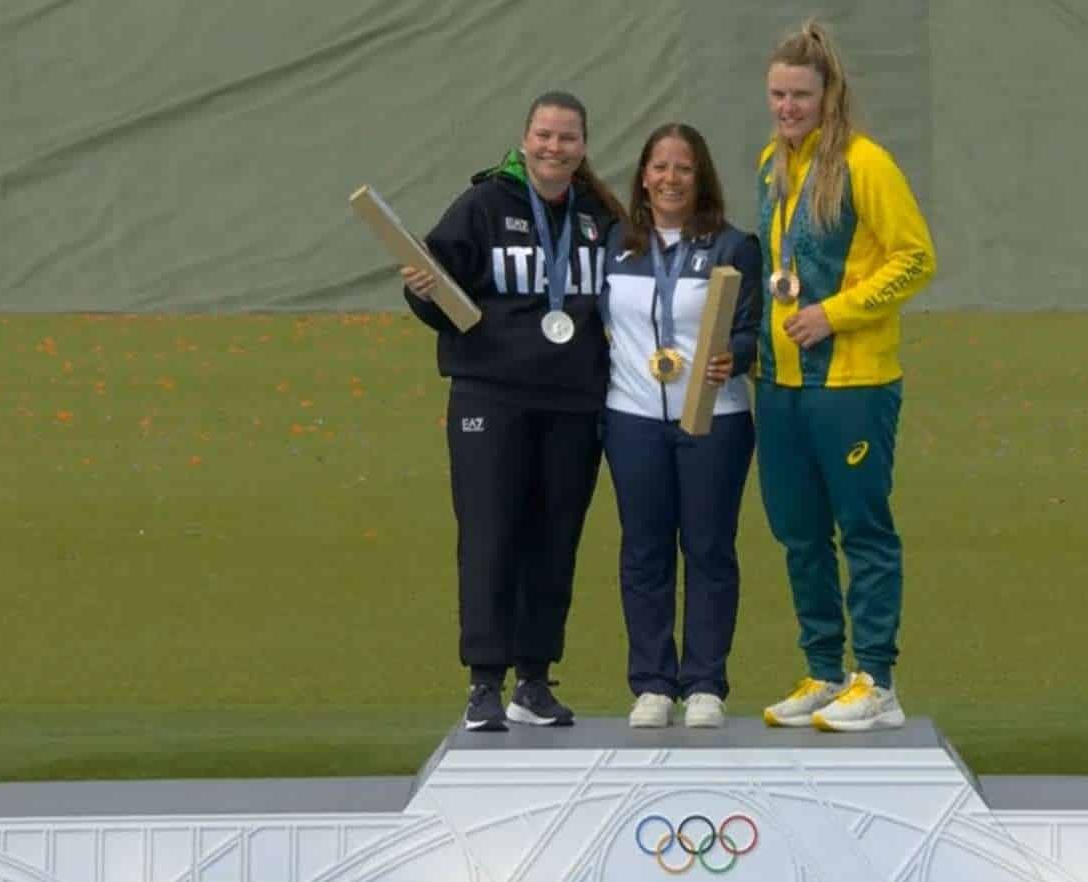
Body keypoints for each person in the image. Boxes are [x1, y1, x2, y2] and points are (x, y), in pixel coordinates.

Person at [400, 92, 623, 732]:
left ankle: (534, 680)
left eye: (568, 138)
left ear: (584, 147)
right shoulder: (483, 205)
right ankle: (483, 683)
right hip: (489, 397)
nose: (555, 148)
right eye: (545, 136)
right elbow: (437, 285)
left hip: (575, 403)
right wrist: (422, 291)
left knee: (555, 539)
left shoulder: (597, 217)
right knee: (491, 534)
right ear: (525, 140)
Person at [753, 20, 937, 732]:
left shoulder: (867, 164)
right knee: (798, 534)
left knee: (862, 530)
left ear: (828, 96)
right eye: (777, 93)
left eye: (799, 94)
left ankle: (878, 681)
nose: (786, 107)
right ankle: (825, 671)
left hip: (852, 383)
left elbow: (915, 259)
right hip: (780, 384)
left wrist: (837, 313)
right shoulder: (771, 161)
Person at [600, 124, 762, 729]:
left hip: (714, 421)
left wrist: (736, 356)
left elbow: (751, 328)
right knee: (643, 552)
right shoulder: (617, 244)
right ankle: (652, 684)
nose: (671, 179)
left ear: (702, 178)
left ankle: (703, 683)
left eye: (684, 169)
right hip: (632, 417)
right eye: (660, 167)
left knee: (709, 549)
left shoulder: (731, 246)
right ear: (643, 175)